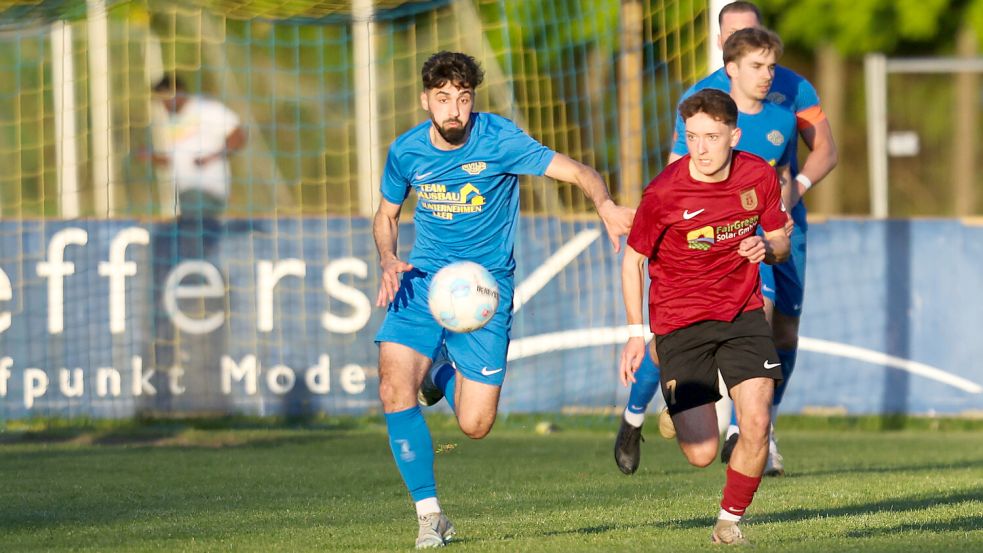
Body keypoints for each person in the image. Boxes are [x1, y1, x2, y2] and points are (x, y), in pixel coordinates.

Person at [373, 51, 634, 549]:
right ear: (426, 99)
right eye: (444, 99)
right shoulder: (406, 151)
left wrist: (603, 205)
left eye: (463, 99)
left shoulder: (499, 139)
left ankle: (438, 373)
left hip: (485, 291)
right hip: (421, 279)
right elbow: (385, 215)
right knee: (392, 386)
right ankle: (430, 517)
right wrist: (388, 257)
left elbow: (579, 171)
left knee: (474, 424)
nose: (454, 110)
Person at [614, 0, 837, 477]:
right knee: (684, 330)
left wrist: (794, 190)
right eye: (736, 39)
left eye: (756, 38)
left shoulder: (790, 91)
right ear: (723, 48)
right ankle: (640, 416)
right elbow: (680, 170)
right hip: (714, 234)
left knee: (784, 331)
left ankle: (758, 428)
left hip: (778, 225)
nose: (757, 60)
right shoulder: (704, 99)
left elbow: (825, 150)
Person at [619, 88, 789, 545]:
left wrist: (766, 248)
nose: (700, 149)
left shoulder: (758, 176)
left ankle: (729, 522)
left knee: (755, 422)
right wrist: (637, 335)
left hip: (742, 313)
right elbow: (632, 260)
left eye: (711, 137)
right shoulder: (664, 192)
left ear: (734, 135)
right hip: (681, 321)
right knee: (701, 453)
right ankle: (667, 390)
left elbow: (780, 242)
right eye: (692, 137)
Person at [151, 74, 247, 256]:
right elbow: (175, 161)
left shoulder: (205, 109)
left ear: (177, 92)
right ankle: (203, 271)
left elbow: (239, 135)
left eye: (164, 99)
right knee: (195, 241)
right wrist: (151, 157)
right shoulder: (171, 122)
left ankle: (202, 275)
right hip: (185, 195)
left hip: (206, 191)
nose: (163, 105)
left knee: (194, 238)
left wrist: (212, 157)